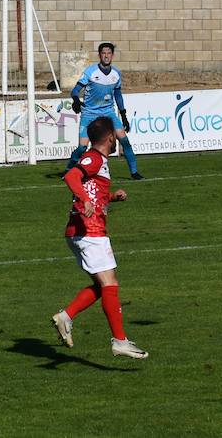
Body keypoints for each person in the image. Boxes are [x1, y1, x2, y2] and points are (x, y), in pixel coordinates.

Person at [51, 117, 148, 359]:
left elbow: (93, 189)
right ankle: (120, 341)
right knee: (110, 284)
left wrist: (112, 196)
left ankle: (66, 316)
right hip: (89, 230)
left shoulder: (99, 161)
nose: (116, 138)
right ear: (109, 138)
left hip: (84, 230)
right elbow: (72, 176)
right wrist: (84, 200)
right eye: (115, 135)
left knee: (103, 285)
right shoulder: (93, 157)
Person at [67, 42, 142, 180]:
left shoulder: (116, 74)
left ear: (112, 55)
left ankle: (134, 172)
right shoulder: (90, 72)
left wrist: (124, 115)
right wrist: (76, 100)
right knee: (82, 148)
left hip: (108, 112)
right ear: (99, 55)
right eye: (103, 53)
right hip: (89, 113)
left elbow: (118, 95)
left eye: (108, 53)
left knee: (124, 140)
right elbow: (75, 91)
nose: (106, 56)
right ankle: (69, 170)